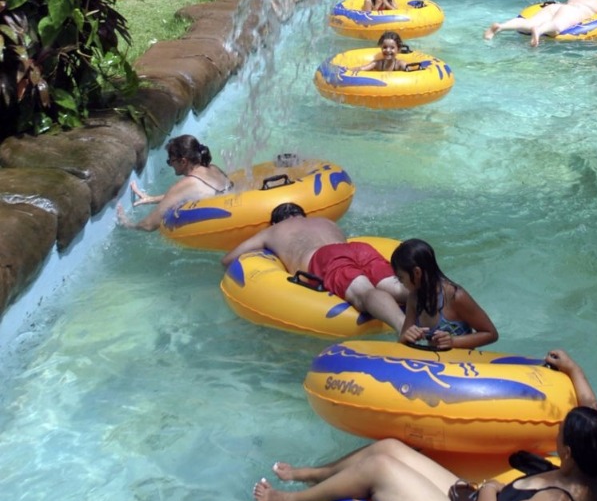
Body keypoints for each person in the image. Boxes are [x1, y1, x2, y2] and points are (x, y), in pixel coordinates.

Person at [253, 348, 597, 501]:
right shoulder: (591, 469)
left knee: (380, 470)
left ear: (568, 451)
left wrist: (490, 488)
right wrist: (574, 370)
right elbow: (593, 412)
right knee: (391, 448)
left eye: (559, 437)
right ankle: (315, 475)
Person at [221, 203, 407, 332]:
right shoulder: (326, 222)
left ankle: (402, 327)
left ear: (276, 221)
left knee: (364, 294)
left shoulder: (274, 230)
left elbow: (228, 260)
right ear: (303, 215)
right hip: (357, 248)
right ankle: (431, 293)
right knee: (392, 285)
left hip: (324, 257)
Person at [392, 238, 498, 351]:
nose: (400, 282)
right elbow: (402, 341)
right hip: (437, 364)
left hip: (462, 364)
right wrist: (406, 337)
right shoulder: (414, 298)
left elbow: (491, 334)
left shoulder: (455, 297)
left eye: (401, 277)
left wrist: (453, 341)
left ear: (417, 272)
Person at [117, 134, 233, 231]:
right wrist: (151, 199)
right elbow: (197, 193)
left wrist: (128, 225)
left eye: (170, 161)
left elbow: (149, 225)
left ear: (183, 162)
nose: (170, 164)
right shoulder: (213, 169)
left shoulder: (186, 183)